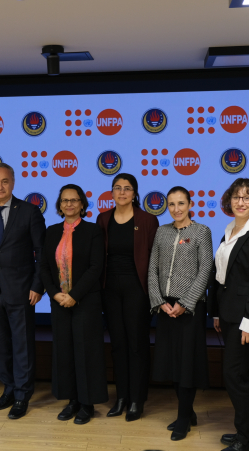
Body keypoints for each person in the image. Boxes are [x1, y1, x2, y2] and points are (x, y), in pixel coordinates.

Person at [0, 163, 46, 420]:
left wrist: (38, 285)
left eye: (5, 181)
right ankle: (9, 389)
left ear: (13, 183)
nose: (0, 186)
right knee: (0, 344)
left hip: (22, 290)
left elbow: (42, 252)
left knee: (22, 344)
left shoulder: (29, 212)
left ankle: (22, 395)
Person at [208, 178, 249, 451]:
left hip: (246, 318)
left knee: (234, 375)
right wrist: (216, 313)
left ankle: (245, 440)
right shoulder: (229, 231)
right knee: (247, 374)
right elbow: (221, 276)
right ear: (229, 201)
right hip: (228, 314)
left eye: (248, 197)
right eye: (236, 197)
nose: (241, 202)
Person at [148, 186, 213, 441]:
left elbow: (205, 269)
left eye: (181, 203)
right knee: (171, 363)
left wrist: (186, 302)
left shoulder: (201, 231)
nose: (176, 209)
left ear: (190, 204)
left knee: (187, 364)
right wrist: (158, 302)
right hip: (165, 307)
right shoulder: (162, 231)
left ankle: (184, 418)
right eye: (172, 204)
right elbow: (152, 268)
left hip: (190, 308)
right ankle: (188, 411)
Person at [40, 184, 107, 425]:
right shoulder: (51, 231)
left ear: (82, 204)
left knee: (86, 352)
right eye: (65, 200)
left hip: (85, 301)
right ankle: (72, 401)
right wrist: (54, 294)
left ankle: (87, 404)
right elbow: (44, 267)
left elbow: (96, 267)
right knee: (65, 351)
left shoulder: (93, 231)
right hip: (59, 301)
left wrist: (74, 295)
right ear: (59, 205)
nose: (69, 204)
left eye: (74, 200)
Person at [96, 173, 159, 421]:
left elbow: (154, 259)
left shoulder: (147, 220)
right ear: (112, 192)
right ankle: (121, 397)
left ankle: (136, 399)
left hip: (137, 288)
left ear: (135, 193)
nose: (122, 192)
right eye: (117, 188)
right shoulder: (103, 219)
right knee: (118, 345)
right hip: (110, 289)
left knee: (137, 344)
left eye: (127, 188)